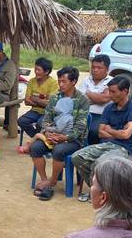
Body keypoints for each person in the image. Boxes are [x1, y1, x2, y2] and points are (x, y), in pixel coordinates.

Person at [72, 76, 132, 202]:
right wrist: (118, 133)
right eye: (109, 91)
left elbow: (126, 135)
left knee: (99, 163)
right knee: (77, 157)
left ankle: (100, 194)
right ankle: (100, 191)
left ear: (125, 91)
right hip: (107, 145)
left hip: (125, 149)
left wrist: (109, 130)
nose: (110, 95)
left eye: (113, 92)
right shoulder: (109, 108)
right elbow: (100, 132)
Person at [27, 66, 90, 200]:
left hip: (73, 139)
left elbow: (80, 126)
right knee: (35, 148)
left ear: (73, 82)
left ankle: (52, 183)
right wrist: (48, 133)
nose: (60, 84)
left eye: (64, 81)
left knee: (59, 151)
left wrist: (65, 137)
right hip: (53, 135)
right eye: (59, 81)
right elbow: (46, 119)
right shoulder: (55, 97)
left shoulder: (82, 100)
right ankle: (45, 180)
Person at [18, 57, 59, 138]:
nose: (36, 72)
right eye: (35, 69)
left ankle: (37, 141)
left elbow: (49, 104)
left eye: (38, 70)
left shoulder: (53, 83)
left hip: (47, 112)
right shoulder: (32, 81)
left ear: (47, 72)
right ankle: (36, 138)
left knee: (40, 124)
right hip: (34, 111)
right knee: (21, 121)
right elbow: (26, 101)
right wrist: (42, 101)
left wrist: (34, 99)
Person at [79, 54, 113, 145]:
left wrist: (88, 93)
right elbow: (79, 100)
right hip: (84, 113)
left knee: (94, 130)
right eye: (93, 67)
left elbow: (104, 99)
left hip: (102, 116)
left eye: (99, 68)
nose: (95, 70)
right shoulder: (86, 80)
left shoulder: (112, 82)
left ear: (107, 69)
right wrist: (99, 97)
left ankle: (90, 151)